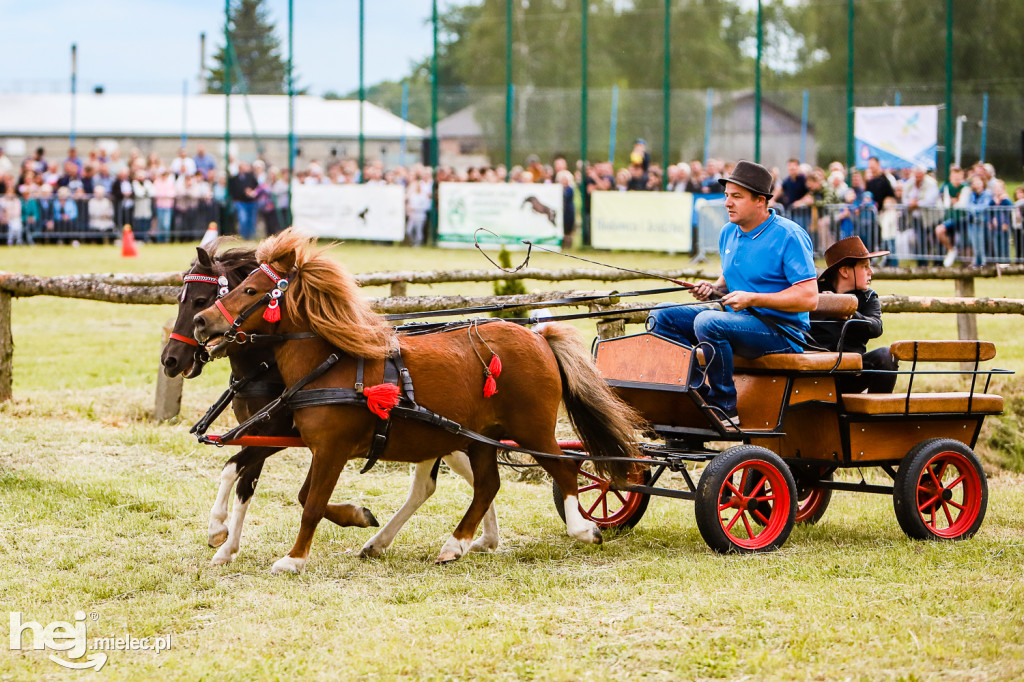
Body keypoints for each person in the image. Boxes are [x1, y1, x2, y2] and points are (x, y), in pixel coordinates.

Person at [647, 160, 818, 427]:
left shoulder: (789, 236)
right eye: (727, 195)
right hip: (736, 320)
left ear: (760, 201)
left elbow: (809, 297)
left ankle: (724, 406)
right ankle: (696, 395)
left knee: (708, 322)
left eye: (737, 197)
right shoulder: (729, 232)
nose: (727, 203)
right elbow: (731, 274)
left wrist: (752, 298)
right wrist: (713, 288)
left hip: (781, 331)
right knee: (661, 316)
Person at [810, 236, 898, 394]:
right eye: (865, 266)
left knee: (886, 356)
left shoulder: (868, 297)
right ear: (844, 271)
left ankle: (874, 414)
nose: (871, 272)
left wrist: (848, 312)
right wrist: (826, 304)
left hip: (851, 373)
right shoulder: (812, 292)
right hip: (813, 371)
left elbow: (876, 327)